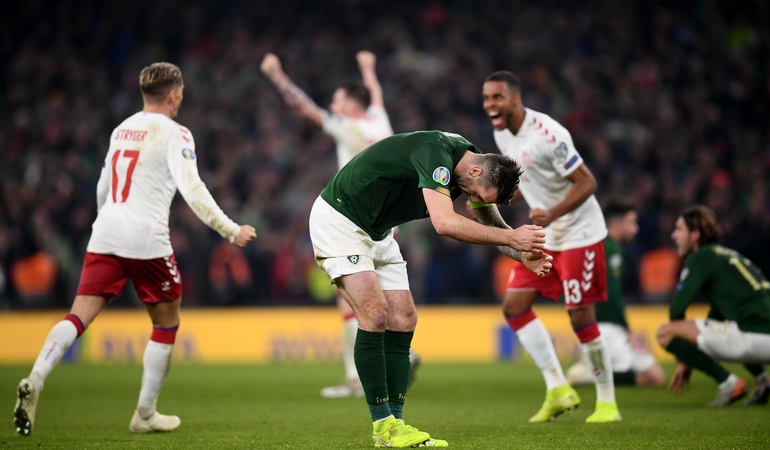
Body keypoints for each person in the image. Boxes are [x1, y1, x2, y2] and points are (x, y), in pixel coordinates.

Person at [12, 62, 257, 437]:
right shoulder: (176, 133)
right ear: (174, 94)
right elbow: (194, 191)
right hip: (146, 239)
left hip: (106, 232)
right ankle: (144, 413)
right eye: (182, 94)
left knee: (78, 316)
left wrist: (105, 224)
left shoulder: (121, 129)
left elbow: (103, 185)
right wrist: (230, 230)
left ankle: (37, 375)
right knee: (166, 321)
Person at [309, 130, 553, 448]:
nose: (475, 202)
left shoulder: (472, 165)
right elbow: (445, 223)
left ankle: (394, 425)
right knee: (376, 313)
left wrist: (523, 255)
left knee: (404, 318)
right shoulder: (436, 155)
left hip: (378, 231)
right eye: (480, 195)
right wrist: (512, 239)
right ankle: (383, 424)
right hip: (340, 220)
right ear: (476, 171)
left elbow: (493, 227)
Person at [259, 51, 420, 398]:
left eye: (337, 98)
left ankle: (357, 378)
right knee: (374, 298)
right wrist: (368, 69)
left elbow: (305, 109)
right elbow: (375, 95)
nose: (333, 103)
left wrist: (276, 75)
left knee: (353, 299)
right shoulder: (380, 122)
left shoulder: (351, 128)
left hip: (357, 221)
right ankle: (388, 360)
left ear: (349, 104)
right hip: (386, 222)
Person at [480, 70, 619, 423]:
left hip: (579, 233)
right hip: (547, 234)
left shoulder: (549, 134)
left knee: (579, 316)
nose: (490, 104)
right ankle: (558, 388)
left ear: (515, 98)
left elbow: (587, 182)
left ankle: (607, 403)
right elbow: (524, 180)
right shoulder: (501, 134)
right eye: (486, 98)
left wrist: (553, 214)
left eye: (497, 97)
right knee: (514, 306)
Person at [656, 205, 770, 406]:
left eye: (679, 229)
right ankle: (762, 379)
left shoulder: (700, 257)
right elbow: (719, 314)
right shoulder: (727, 255)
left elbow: (676, 310)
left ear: (695, 235)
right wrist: (690, 357)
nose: (674, 235)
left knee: (665, 332)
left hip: (756, 338)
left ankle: (728, 382)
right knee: (730, 327)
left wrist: (685, 354)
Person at [566, 199, 665, 387]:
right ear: (615, 225)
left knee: (655, 377)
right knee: (644, 378)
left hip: (608, 325)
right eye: (632, 222)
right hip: (605, 327)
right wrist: (628, 331)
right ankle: (590, 374)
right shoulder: (610, 249)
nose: (636, 229)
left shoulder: (600, 245)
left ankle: (593, 368)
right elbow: (611, 295)